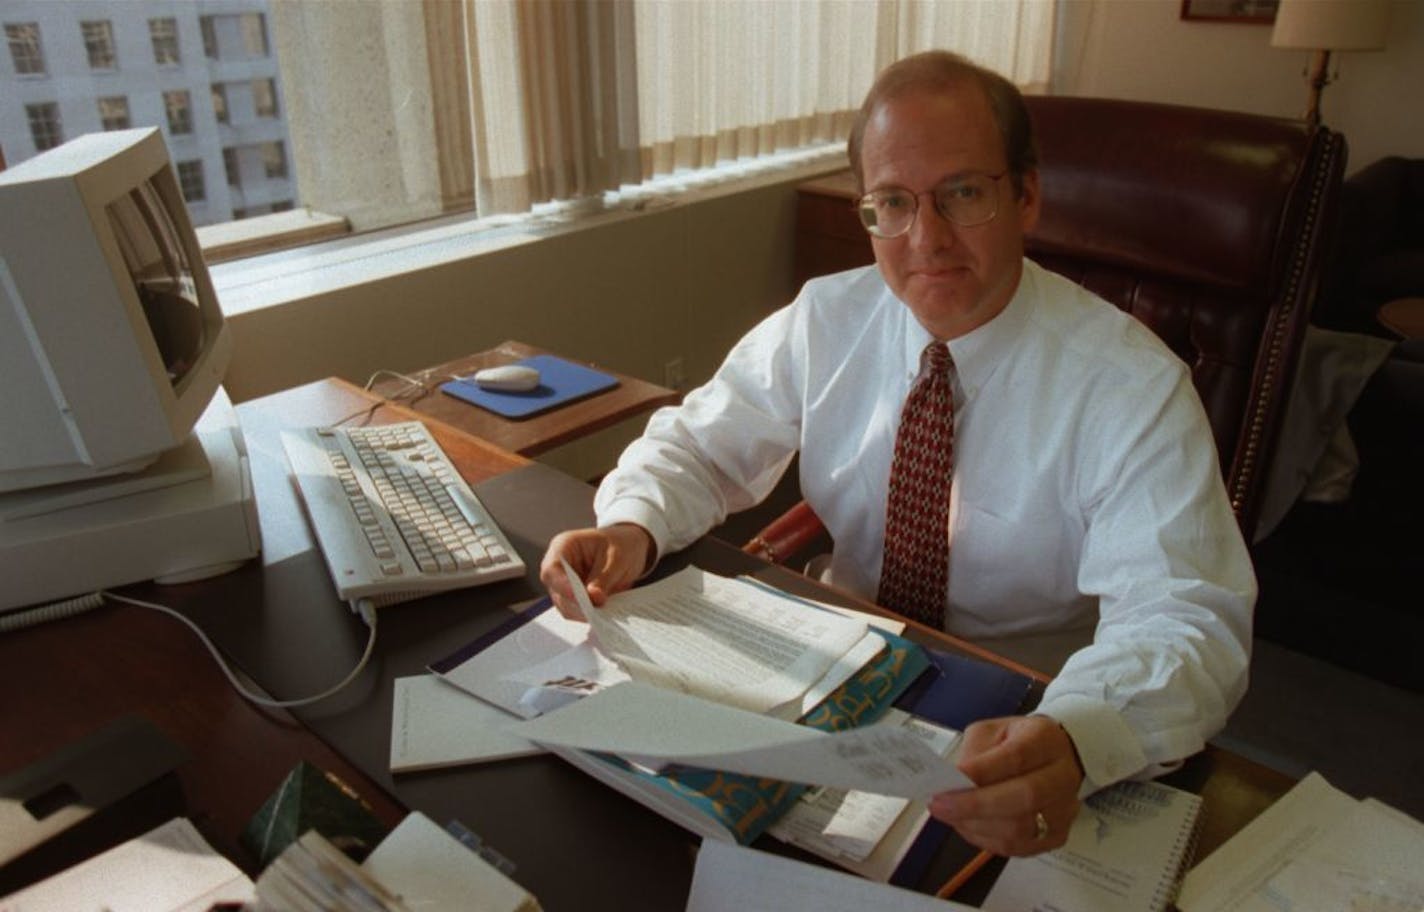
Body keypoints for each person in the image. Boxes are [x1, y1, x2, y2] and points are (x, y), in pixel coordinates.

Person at [539, 50, 1254, 858]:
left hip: (1020, 707)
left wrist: (1077, 734)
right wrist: (631, 525)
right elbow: (700, 445)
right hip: (830, 666)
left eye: (963, 193)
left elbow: (1186, 613)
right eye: (893, 202)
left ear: (1025, 196)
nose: (928, 239)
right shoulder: (827, 319)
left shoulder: (1131, 385)